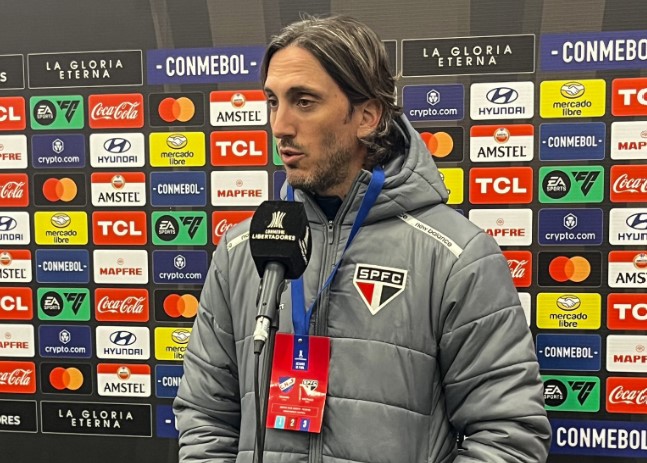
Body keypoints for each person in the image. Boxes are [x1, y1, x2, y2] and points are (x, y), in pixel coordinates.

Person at [174, 14, 551, 463]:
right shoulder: (242, 250)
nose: (280, 126)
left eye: (304, 101)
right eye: (273, 102)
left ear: (367, 116)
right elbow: (205, 419)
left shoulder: (456, 256)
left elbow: (508, 435)